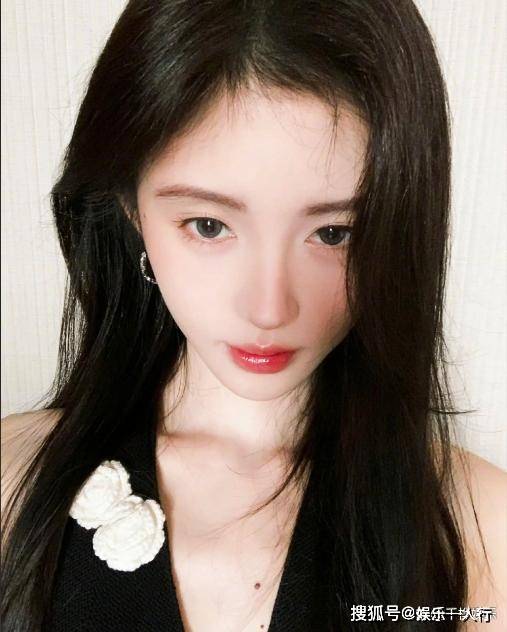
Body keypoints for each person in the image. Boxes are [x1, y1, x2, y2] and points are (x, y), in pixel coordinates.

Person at [1, 0, 506, 630]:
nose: (270, 308)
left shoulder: (483, 528)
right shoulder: (14, 484)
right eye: (209, 225)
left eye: (335, 233)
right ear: (131, 207)